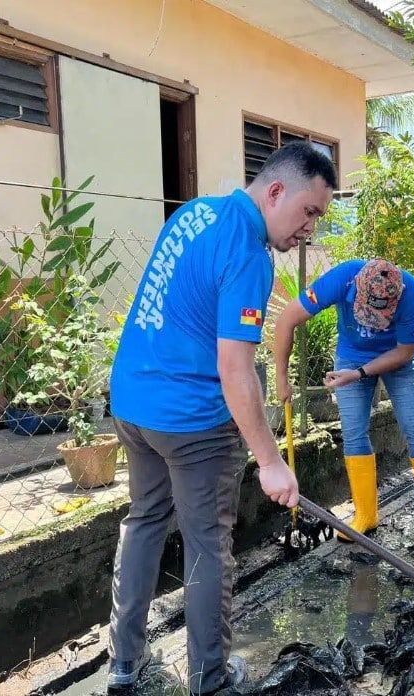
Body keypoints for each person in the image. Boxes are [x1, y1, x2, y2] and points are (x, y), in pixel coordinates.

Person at [105, 142, 337, 695]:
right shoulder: (250, 255)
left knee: (144, 521)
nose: (310, 229)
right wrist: (270, 461)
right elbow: (235, 369)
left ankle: (123, 663)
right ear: (275, 191)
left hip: (133, 404)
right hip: (191, 421)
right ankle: (210, 680)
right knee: (208, 544)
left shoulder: (195, 213)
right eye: (309, 212)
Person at [273, 259, 414, 542]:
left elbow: (405, 353)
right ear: (357, 288)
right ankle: (365, 515)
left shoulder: (412, 295)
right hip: (351, 355)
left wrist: (359, 374)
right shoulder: (341, 279)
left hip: (399, 359)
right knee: (354, 431)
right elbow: (286, 320)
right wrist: (281, 378)